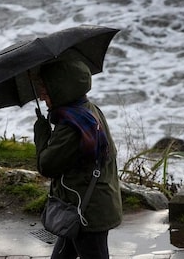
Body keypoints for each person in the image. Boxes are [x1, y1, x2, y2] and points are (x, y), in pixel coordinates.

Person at [32, 57, 123, 259]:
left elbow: (46, 165)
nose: (42, 96)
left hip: (87, 212)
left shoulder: (71, 126)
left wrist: (41, 134)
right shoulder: (87, 111)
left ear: (61, 89)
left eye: (46, 90)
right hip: (82, 206)